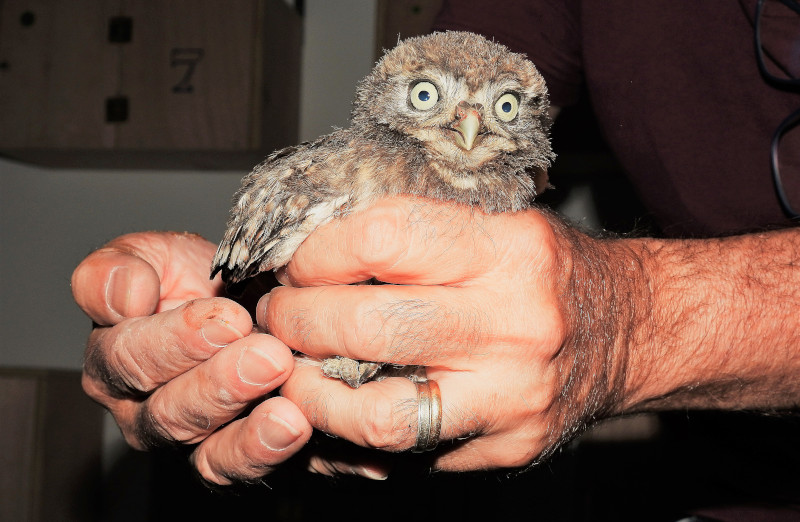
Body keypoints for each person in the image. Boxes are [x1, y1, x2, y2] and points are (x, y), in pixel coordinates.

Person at [72, 0, 799, 515]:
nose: (472, 126)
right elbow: (467, 57)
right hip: (721, 483)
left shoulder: (512, 196)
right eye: (427, 98)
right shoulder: (362, 159)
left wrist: (629, 324)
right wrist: (227, 305)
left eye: (506, 112)